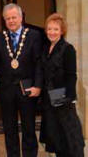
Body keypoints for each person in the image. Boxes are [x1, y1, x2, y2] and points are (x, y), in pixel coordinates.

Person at [0, 3, 43, 157]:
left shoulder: (33, 35)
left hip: (27, 90)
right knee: (9, 129)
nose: (11, 21)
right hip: (6, 91)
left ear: (21, 17)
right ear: (4, 20)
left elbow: (39, 62)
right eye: (8, 18)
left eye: (14, 17)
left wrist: (38, 86)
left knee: (29, 128)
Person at [39, 13, 85, 157]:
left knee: (69, 139)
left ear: (62, 31)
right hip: (48, 99)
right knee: (56, 137)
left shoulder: (67, 49)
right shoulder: (46, 49)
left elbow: (72, 75)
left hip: (62, 98)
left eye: (55, 29)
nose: (52, 32)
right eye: (49, 29)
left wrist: (68, 97)